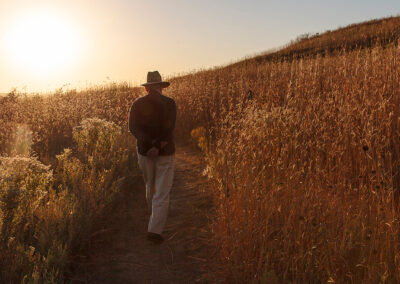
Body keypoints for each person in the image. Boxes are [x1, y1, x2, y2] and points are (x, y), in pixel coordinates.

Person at [128, 71, 176, 244]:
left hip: (144, 152)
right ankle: (154, 231)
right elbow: (169, 129)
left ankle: (152, 218)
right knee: (162, 192)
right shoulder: (170, 103)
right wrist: (157, 146)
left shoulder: (137, 103)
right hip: (165, 152)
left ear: (147, 88)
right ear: (160, 87)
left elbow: (133, 128)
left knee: (150, 185)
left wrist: (148, 146)